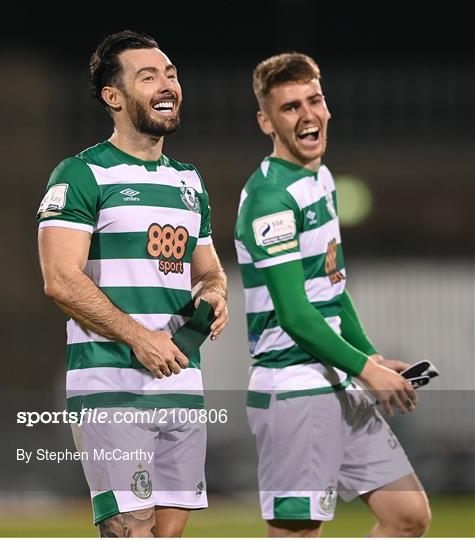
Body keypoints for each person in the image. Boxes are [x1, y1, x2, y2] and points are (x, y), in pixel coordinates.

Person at [37, 30, 228, 538]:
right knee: (131, 532)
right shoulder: (80, 174)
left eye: (170, 74)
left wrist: (215, 293)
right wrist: (140, 338)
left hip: (182, 383)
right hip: (110, 386)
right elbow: (59, 279)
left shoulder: (189, 181)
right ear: (113, 97)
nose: (167, 85)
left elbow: (208, 269)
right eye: (149, 77)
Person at [234, 52, 431, 537]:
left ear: (327, 106)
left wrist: (372, 357)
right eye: (289, 107)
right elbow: (296, 316)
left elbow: (333, 289)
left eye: (313, 100)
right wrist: (367, 371)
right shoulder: (269, 200)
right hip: (294, 389)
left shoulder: (319, 180)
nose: (306, 115)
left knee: (407, 518)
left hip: (338, 380)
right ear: (266, 121)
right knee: (299, 533)